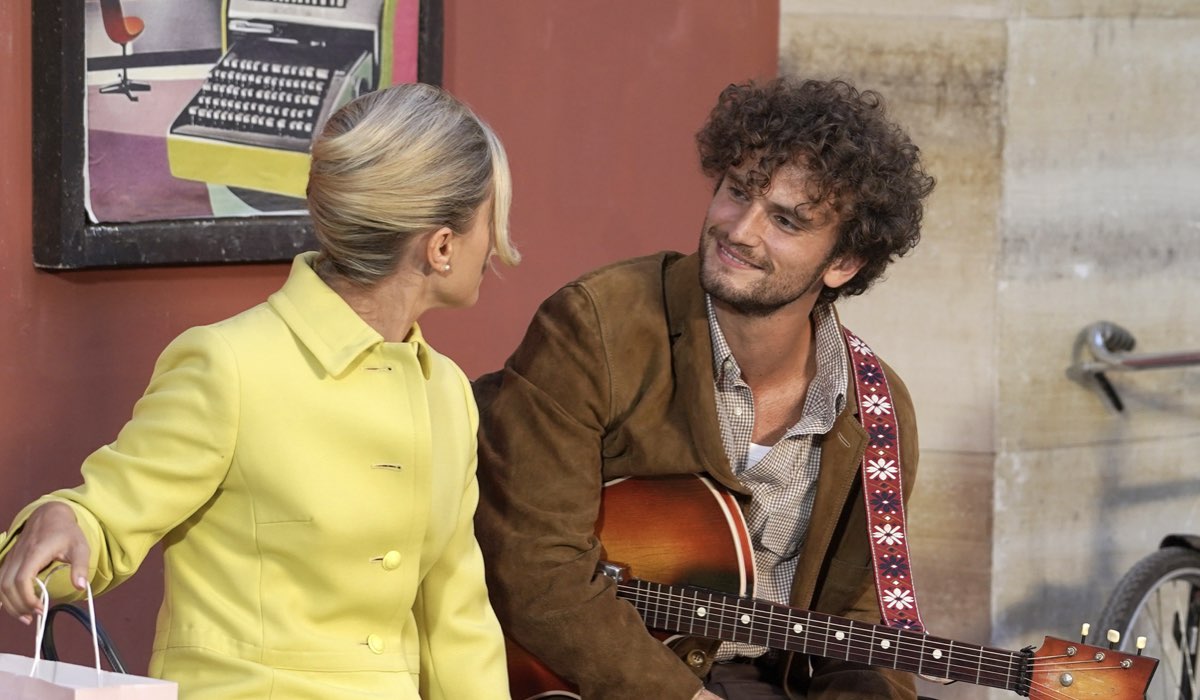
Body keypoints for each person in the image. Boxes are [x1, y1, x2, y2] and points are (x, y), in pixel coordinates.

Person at [0, 83, 517, 700]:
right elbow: (108, 512)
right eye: (492, 218)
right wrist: (64, 521)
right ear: (441, 246)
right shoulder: (230, 365)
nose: (500, 245)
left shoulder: (449, 394)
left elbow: (456, 618)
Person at [474, 76, 935, 700]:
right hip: (593, 681)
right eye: (737, 193)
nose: (741, 230)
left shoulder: (877, 410)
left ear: (844, 263)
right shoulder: (596, 325)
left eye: (786, 221)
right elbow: (534, 564)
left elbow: (857, 622)